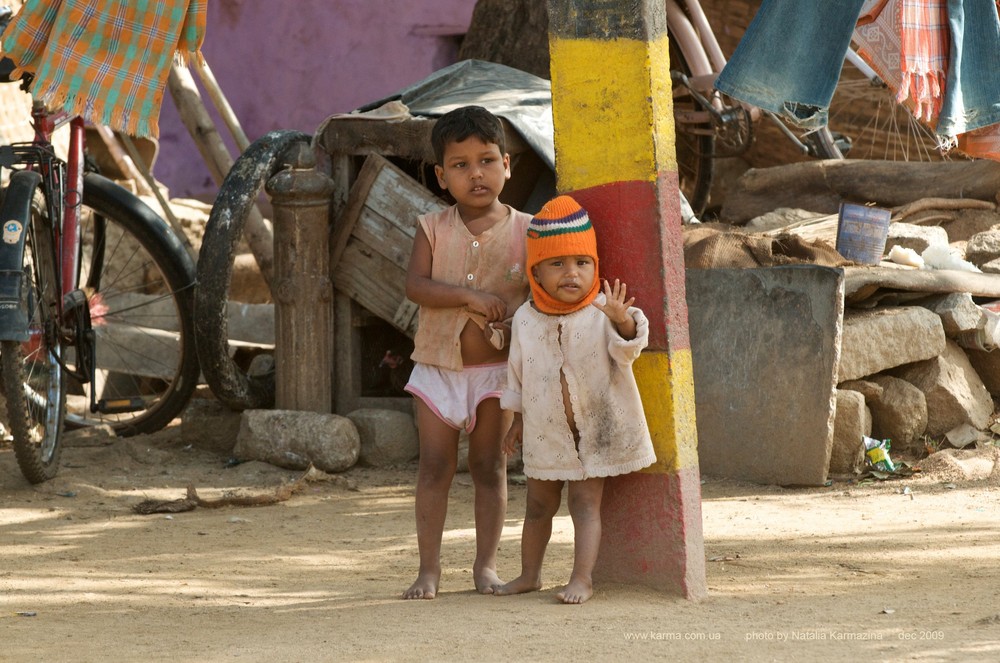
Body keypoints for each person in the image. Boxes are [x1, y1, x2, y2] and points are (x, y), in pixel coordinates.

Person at [496, 195, 657, 604]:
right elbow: (516, 372)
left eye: (582, 263)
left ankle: (582, 578)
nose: (572, 273)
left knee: (585, 506)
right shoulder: (526, 319)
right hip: (543, 433)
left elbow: (628, 350)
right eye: (558, 264)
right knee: (537, 507)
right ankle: (528, 575)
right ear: (536, 270)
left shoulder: (604, 312)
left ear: (595, 266)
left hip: (596, 433)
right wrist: (515, 419)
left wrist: (622, 320)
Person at [401, 105, 533, 600]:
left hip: (498, 375)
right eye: (460, 165)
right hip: (438, 370)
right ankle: (428, 570)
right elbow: (416, 286)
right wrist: (469, 297)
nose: (475, 173)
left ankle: (485, 567)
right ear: (441, 175)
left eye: (486, 160)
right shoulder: (431, 227)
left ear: (507, 164)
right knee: (434, 467)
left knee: (488, 468)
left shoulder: (529, 230)